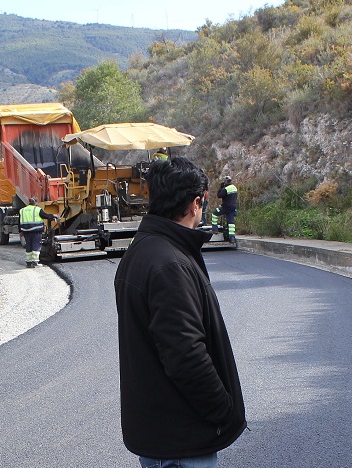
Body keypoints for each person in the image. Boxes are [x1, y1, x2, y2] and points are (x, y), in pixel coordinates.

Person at [114, 157, 247, 468]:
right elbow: (185, 355)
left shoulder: (142, 251)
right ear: (196, 203)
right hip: (181, 441)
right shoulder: (169, 263)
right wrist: (223, 411)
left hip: (162, 434)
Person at [18, 197, 58, 268]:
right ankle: (35, 263)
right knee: (36, 246)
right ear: (35, 202)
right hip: (36, 231)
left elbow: (19, 222)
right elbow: (45, 216)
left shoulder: (22, 210)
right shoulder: (37, 209)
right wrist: (53, 216)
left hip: (26, 231)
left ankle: (28, 263)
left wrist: (20, 231)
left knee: (29, 246)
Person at [211, 176, 238, 243]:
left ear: (226, 181)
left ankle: (215, 230)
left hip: (226, 207)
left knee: (214, 213)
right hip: (233, 207)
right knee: (231, 222)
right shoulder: (234, 187)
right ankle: (232, 237)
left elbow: (219, 195)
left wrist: (221, 188)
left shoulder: (226, 189)